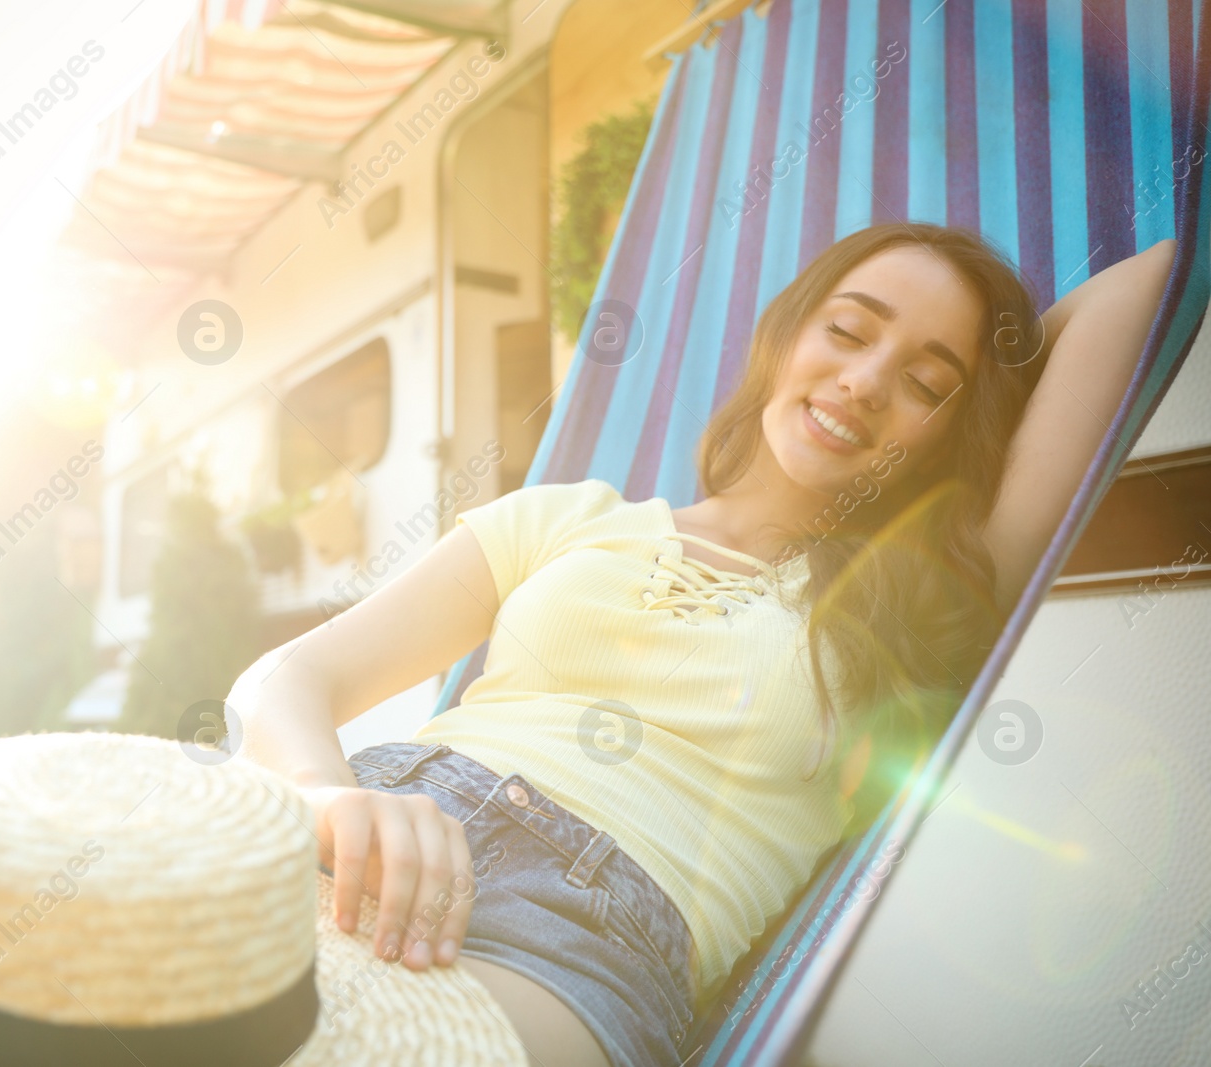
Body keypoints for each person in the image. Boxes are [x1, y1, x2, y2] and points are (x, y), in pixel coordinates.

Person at [233, 223, 1177, 1067]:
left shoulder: (921, 604)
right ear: (783, 336)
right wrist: (328, 796)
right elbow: (290, 677)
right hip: (379, 816)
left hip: (581, 938)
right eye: (846, 331)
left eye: (926, 383)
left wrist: (989, 391)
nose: (863, 381)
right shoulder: (568, 517)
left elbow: (1148, 279)